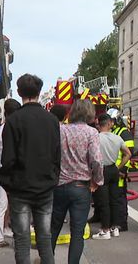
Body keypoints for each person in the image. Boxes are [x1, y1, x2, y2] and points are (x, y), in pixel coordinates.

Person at [0, 74, 61, 264]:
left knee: (22, 239)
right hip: (45, 186)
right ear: (39, 92)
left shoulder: (13, 120)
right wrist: (53, 178)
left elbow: (7, 158)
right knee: (44, 237)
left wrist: (7, 183)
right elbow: (57, 154)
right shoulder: (51, 120)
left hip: (20, 188)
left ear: (19, 93)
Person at [50, 99, 103, 264]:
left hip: (58, 186)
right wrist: (97, 180)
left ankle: (47, 260)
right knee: (77, 232)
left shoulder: (60, 130)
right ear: (90, 113)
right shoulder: (91, 133)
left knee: (53, 229)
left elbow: (51, 156)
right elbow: (96, 160)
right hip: (81, 188)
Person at [91, 113, 131, 240]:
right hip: (113, 169)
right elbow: (128, 153)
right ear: (109, 124)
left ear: (99, 124)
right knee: (114, 200)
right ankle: (115, 228)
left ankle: (105, 230)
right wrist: (118, 167)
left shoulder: (96, 138)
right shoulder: (117, 138)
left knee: (104, 201)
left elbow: (92, 156)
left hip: (101, 170)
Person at [0, 99, 21, 248]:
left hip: (3, 168)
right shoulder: (15, 129)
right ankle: (17, 235)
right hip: (16, 170)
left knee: (2, 203)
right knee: (18, 204)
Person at [108, 109, 134, 232]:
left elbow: (129, 153)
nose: (110, 123)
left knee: (119, 198)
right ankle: (114, 221)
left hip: (119, 171)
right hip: (112, 171)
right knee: (112, 197)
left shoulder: (124, 133)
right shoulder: (113, 131)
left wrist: (123, 170)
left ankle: (121, 223)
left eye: (112, 120)